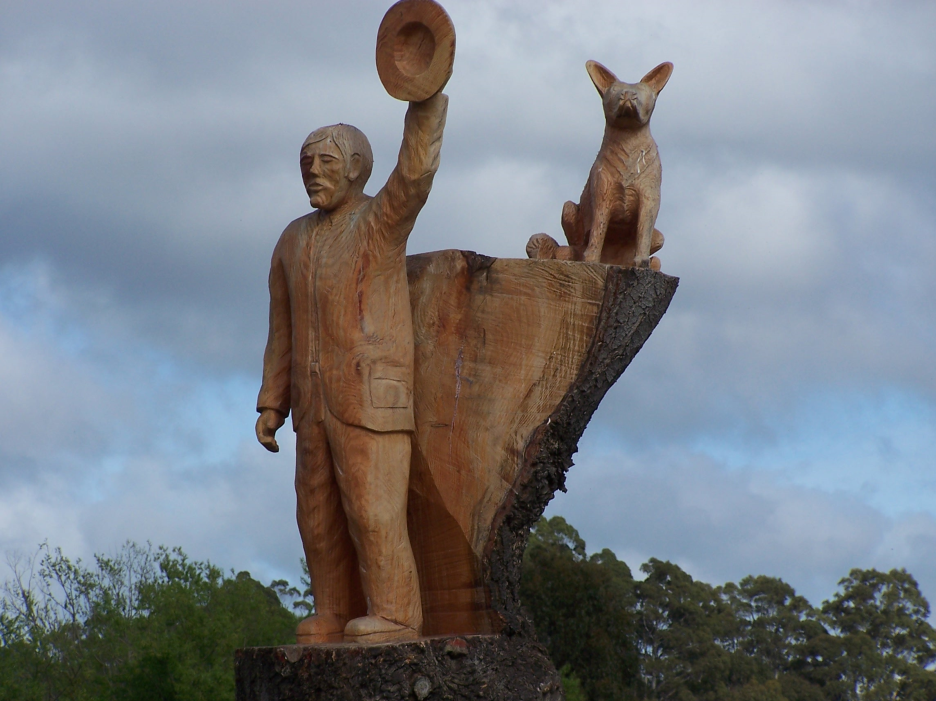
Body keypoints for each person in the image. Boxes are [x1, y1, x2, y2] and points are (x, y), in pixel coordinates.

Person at [255, 92, 448, 644]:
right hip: (310, 405)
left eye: (326, 162)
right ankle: (332, 611)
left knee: (373, 509)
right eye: (306, 164)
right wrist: (273, 402)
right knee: (316, 517)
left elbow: (415, 172)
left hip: (369, 397)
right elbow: (281, 329)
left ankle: (396, 614)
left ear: (358, 169)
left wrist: (425, 102)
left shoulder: (378, 220)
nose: (313, 172)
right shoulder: (291, 240)